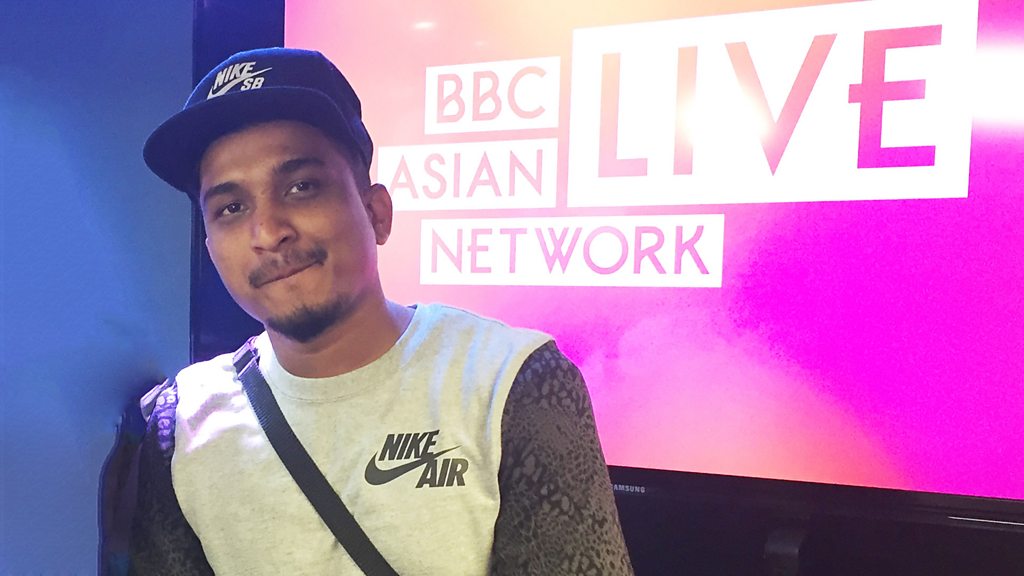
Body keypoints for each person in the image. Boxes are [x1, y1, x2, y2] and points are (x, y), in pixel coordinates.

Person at [129, 47, 633, 575]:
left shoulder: (510, 382)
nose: (268, 231)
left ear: (376, 213)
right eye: (231, 208)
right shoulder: (179, 425)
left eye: (301, 187)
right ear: (211, 249)